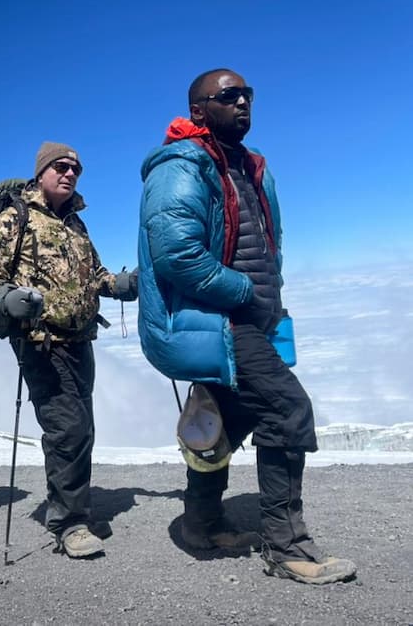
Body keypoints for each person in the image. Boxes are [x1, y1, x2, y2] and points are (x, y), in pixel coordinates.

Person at [137, 69, 356, 584]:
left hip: (247, 317)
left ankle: (202, 525)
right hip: (219, 320)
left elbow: (259, 245)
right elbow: (178, 254)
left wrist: (267, 300)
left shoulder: (247, 166)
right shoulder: (181, 167)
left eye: (248, 95)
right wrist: (244, 293)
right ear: (198, 110)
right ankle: (287, 548)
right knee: (287, 408)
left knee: (222, 421)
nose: (243, 103)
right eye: (228, 96)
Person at [0, 142, 138, 559]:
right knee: (67, 429)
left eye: (76, 169)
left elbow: (95, 274)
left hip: (81, 339)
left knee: (82, 428)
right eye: (61, 167)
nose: (69, 174)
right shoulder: (17, 218)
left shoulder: (76, 225)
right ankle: (69, 524)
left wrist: (119, 284)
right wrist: (8, 296)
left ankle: (73, 506)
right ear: (42, 171)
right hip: (41, 342)